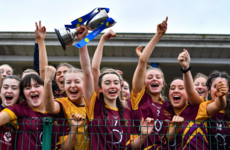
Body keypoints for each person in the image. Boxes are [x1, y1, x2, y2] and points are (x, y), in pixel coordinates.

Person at [79, 25, 156, 150]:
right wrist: (86, 41)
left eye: (115, 82)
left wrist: (143, 136)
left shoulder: (127, 112)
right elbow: (90, 70)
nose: (112, 86)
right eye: (107, 83)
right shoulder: (94, 105)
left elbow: (130, 146)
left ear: (120, 86)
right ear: (99, 88)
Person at [43, 25, 92, 150]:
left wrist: (83, 41)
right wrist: (47, 82)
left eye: (77, 81)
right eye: (68, 82)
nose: (73, 85)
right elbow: (49, 108)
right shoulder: (63, 103)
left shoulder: (91, 101)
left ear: (84, 84)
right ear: (63, 87)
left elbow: (87, 70)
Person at [167, 49, 227, 149]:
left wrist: (221, 97)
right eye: (172, 88)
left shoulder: (198, 108)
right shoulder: (166, 112)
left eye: (181, 88)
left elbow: (218, 105)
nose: (176, 91)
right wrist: (176, 126)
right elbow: (168, 138)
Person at [0, 74, 78, 150]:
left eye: (37, 86)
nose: (33, 90)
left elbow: (65, 148)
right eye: (27, 88)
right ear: (23, 93)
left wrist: (74, 128)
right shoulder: (17, 109)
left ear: (44, 89)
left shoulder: (57, 111)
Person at [131, 17, 174, 149]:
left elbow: (169, 137)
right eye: (149, 77)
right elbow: (143, 61)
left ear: (163, 84)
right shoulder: (139, 98)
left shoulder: (169, 107)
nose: (154, 79)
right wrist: (158, 35)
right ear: (144, 83)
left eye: (158, 77)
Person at [34, 21, 74, 99]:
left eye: (65, 72)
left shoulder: (81, 96)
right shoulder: (51, 95)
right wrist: (41, 41)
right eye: (58, 73)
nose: (62, 75)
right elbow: (42, 70)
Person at [205, 71, 230, 149]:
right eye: (215, 86)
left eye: (224, 87)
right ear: (208, 90)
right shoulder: (203, 107)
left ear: (229, 91)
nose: (219, 89)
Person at [0, 75, 21, 150]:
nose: (9, 91)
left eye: (14, 88)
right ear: (0, 92)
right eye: (5, 87)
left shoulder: (24, 115)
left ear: (19, 94)